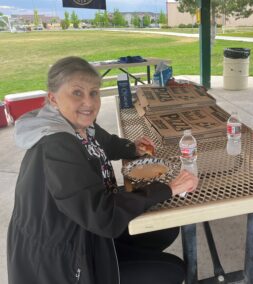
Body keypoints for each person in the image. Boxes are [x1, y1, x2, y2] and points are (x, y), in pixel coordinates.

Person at [7, 56, 198, 284]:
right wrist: (167, 188)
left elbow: (104, 142)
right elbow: (102, 215)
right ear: (53, 99)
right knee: (174, 270)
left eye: (94, 92)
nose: (89, 102)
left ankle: (129, 259)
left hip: (86, 231)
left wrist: (132, 148)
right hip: (64, 262)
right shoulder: (56, 145)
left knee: (165, 229)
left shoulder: (77, 124)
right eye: (77, 93)